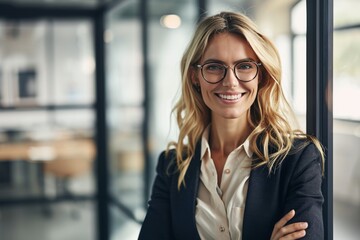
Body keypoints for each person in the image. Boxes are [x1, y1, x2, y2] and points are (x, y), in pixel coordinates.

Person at [138, 11, 324, 240]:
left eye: (244, 66)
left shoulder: (298, 158)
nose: (230, 82)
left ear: (261, 74)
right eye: (214, 67)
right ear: (195, 76)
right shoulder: (172, 166)